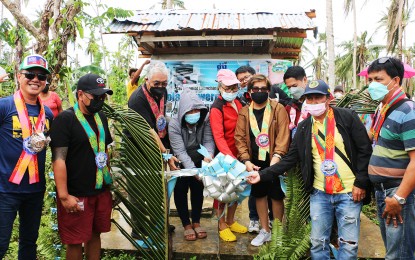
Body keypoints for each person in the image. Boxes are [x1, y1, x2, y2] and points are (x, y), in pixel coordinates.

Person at [248, 80, 372, 259]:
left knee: (349, 244)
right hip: (320, 194)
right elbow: (290, 158)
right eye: (310, 98)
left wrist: (361, 183)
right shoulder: (304, 127)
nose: (314, 102)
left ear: (328, 98)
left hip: (349, 193)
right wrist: (261, 175)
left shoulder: (347, 117)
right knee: (317, 242)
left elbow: (364, 150)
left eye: (318, 98)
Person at [50, 73, 113, 260]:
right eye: (96, 96)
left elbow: (104, 150)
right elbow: (58, 159)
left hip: (100, 190)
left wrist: (108, 183)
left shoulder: (100, 117)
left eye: (103, 97)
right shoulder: (65, 120)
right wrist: (64, 196)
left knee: (95, 235)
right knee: (76, 240)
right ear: (80, 95)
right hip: (77, 194)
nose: (100, 101)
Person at [0, 54, 54, 259]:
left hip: (34, 189)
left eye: (41, 76)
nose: (35, 79)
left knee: (29, 243)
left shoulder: (47, 114)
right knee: (1, 242)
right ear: (18, 76)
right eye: (30, 74)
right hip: (5, 190)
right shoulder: (4, 106)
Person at [366, 57, 415, 259]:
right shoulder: (382, 109)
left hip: (398, 192)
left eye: (378, 79)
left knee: (400, 254)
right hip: (383, 191)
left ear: (395, 81)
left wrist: (399, 197)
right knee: (392, 250)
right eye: (369, 80)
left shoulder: (408, 111)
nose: (372, 85)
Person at [234, 74, 290, 246]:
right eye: (256, 89)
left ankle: (278, 233)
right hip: (254, 163)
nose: (259, 92)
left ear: (268, 90)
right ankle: (264, 230)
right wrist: (245, 160)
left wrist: (278, 156)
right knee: (259, 195)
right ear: (250, 91)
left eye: (263, 89)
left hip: (274, 160)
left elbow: (283, 134)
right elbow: (240, 138)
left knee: (276, 195)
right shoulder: (244, 112)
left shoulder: (277, 108)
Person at [128, 61, 179, 239]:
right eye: (156, 84)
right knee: (139, 189)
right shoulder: (137, 99)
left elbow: (162, 118)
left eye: (164, 84)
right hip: (137, 148)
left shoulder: (163, 92)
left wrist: (168, 148)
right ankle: (138, 228)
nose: (160, 87)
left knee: (158, 188)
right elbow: (149, 130)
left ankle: (158, 225)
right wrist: (166, 153)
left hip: (157, 145)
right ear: (147, 80)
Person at [168, 88, 215, 241]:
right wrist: (193, 170)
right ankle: (186, 224)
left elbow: (208, 140)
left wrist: (208, 156)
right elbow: (180, 151)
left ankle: (196, 221)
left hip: (199, 159)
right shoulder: (174, 124)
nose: (195, 113)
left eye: (197, 109)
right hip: (181, 161)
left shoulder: (205, 118)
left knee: (197, 189)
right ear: (182, 111)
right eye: (190, 110)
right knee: (181, 190)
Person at [210, 69, 248, 242]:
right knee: (222, 192)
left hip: (241, 154)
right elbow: (218, 136)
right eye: (228, 87)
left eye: (234, 87)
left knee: (237, 191)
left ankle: (231, 220)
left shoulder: (239, 103)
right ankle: (221, 225)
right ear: (220, 87)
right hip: (226, 158)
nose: (232, 91)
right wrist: (230, 157)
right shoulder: (217, 108)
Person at [283, 66, 309, 138]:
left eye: (294, 85)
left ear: (305, 80)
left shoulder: (319, 102)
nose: (292, 90)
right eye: (289, 87)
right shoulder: (289, 107)